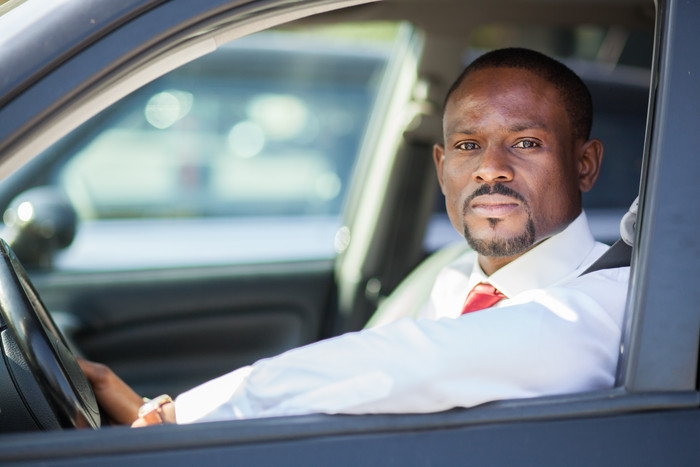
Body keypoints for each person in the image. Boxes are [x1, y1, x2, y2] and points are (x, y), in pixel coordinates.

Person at [79, 47, 630, 426]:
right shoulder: (445, 278)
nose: (489, 168)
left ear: (585, 164)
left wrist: (177, 418)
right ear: (441, 168)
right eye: (467, 146)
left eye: (525, 143)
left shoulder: (615, 303)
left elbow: (407, 365)